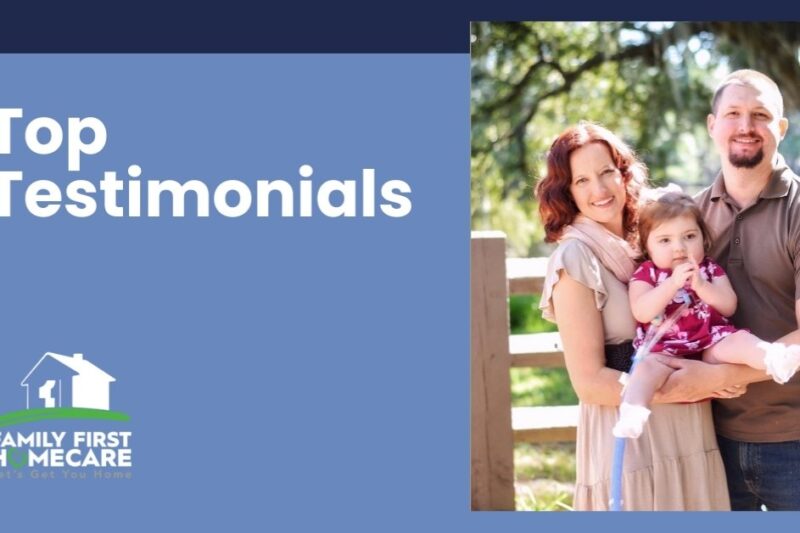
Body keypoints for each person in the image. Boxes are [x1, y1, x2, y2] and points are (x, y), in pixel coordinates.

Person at [536, 122, 733, 510]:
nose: (600, 189)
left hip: (690, 432)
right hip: (633, 441)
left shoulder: (652, 239)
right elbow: (589, 384)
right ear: (567, 192)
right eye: (582, 180)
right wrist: (696, 386)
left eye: (607, 172)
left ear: (623, 174)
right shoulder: (575, 258)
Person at [612, 190, 800, 439]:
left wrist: (702, 286)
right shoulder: (646, 274)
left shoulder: (709, 269)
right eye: (665, 240)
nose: (679, 247)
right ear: (647, 244)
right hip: (664, 350)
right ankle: (633, 412)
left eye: (689, 236)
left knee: (738, 340)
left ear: (703, 237)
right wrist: (671, 285)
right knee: (644, 371)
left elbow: (728, 306)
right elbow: (642, 311)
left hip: (710, 341)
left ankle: (772, 358)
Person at [694, 69, 800, 510]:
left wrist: (721, 376)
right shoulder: (691, 217)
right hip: (707, 441)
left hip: (793, 441)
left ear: (780, 128)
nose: (745, 126)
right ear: (712, 125)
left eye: (759, 115)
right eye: (733, 113)